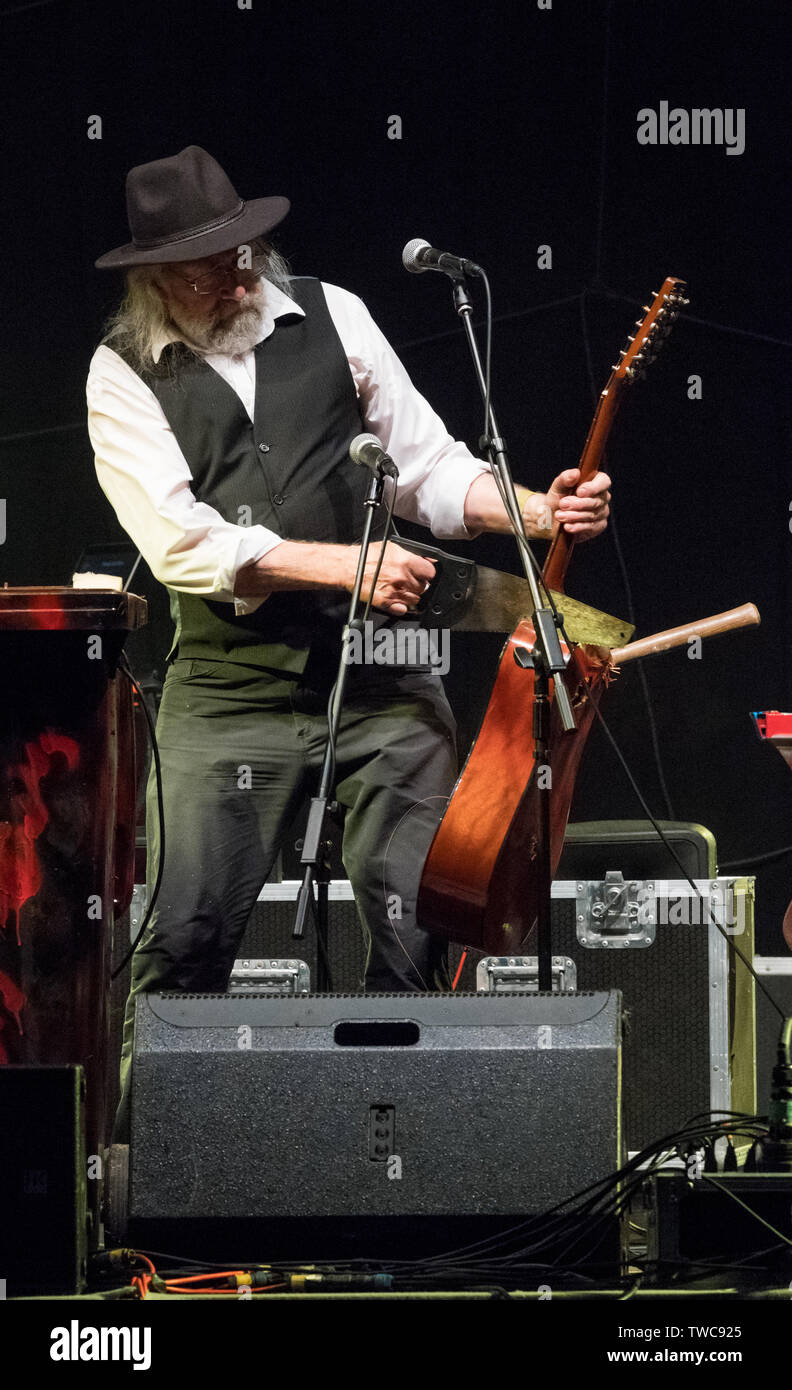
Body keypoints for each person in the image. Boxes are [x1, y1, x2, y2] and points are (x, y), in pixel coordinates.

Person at [87, 146, 611, 1135]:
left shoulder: (335, 314)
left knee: (415, 913)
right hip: (226, 695)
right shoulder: (120, 378)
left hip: (383, 682)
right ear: (155, 277)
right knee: (186, 932)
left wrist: (542, 510)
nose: (236, 271)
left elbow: (429, 470)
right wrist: (344, 565)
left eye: (242, 247)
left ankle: (393, 1174)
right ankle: (152, 1184)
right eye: (206, 262)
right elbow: (182, 546)